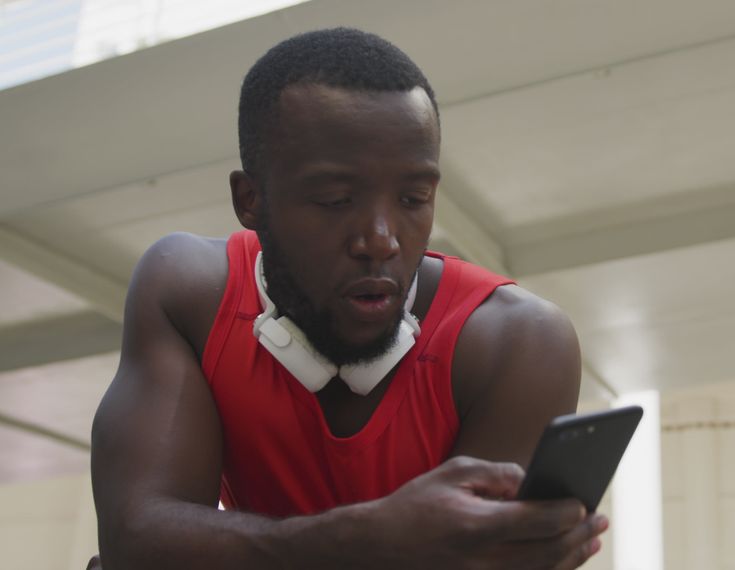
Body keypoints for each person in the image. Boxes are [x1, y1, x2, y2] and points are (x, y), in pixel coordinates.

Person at [89, 27, 607, 569]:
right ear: (250, 200)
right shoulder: (188, 293)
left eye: (413, 198)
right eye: (336, 199)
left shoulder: (517, 342)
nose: (381, 240)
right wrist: (369, 540)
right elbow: (137, 543)